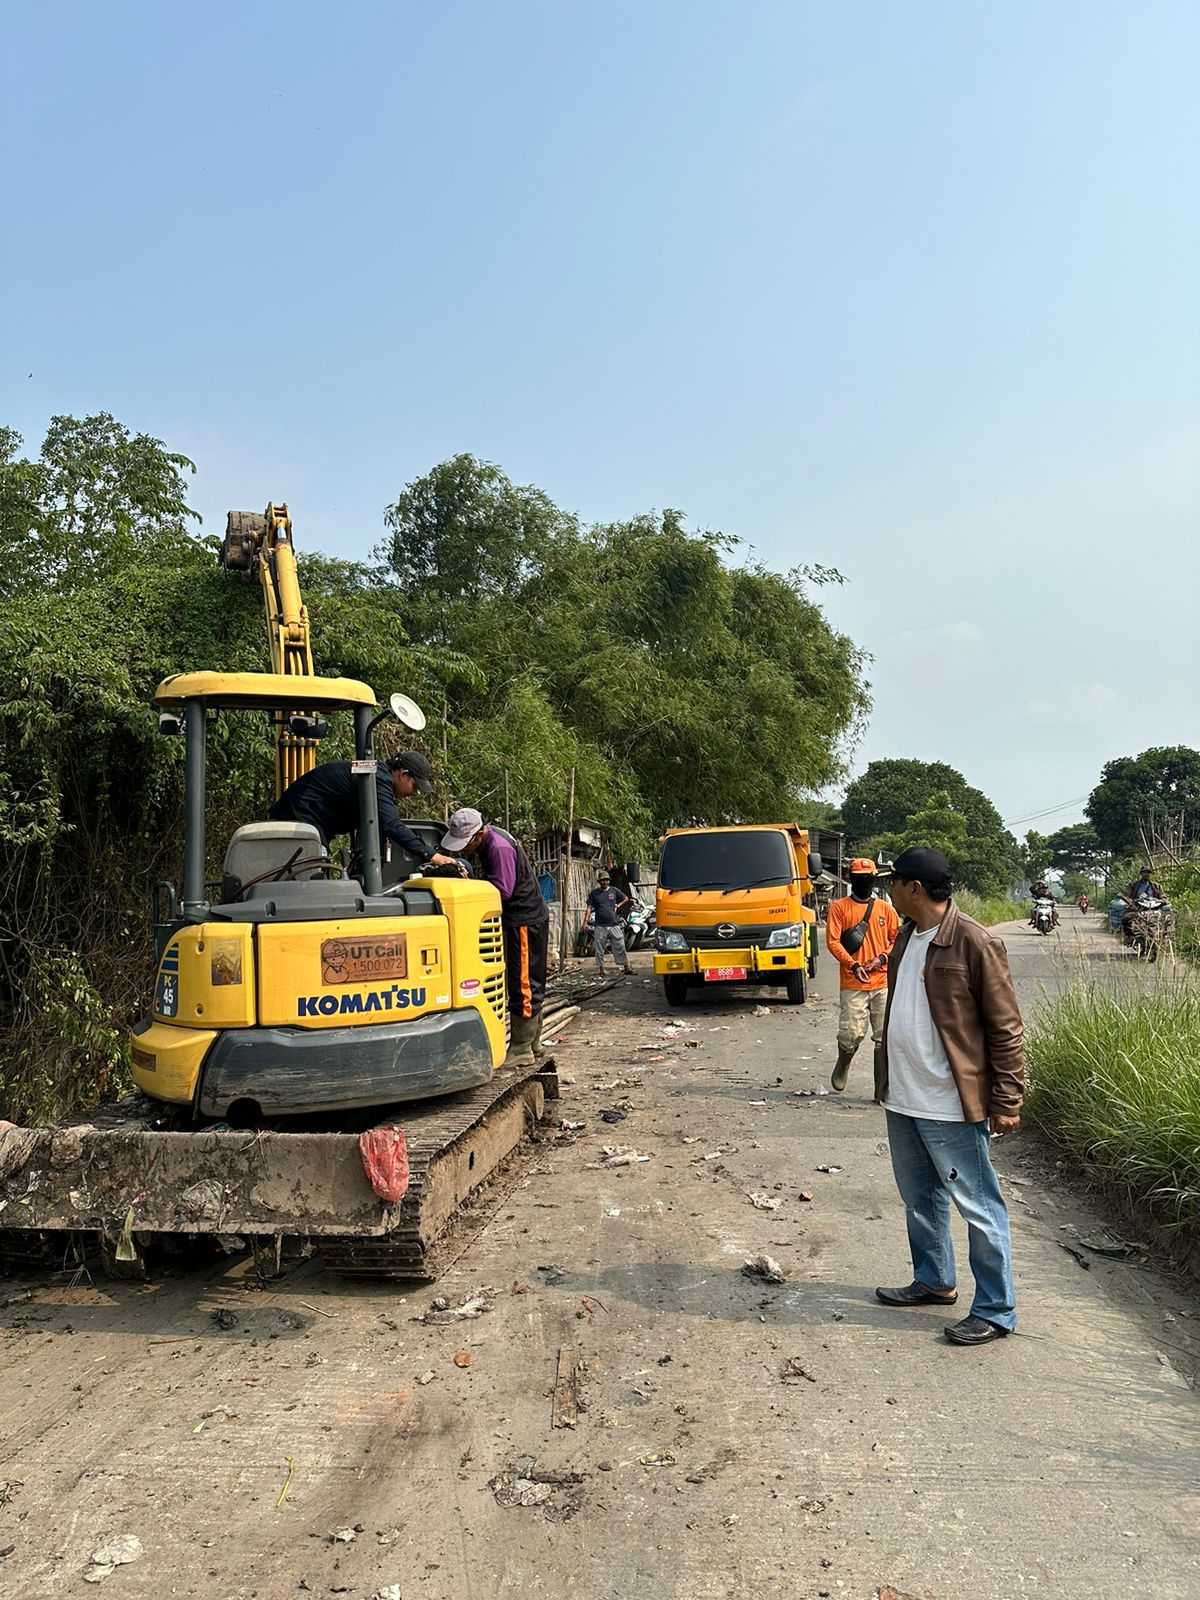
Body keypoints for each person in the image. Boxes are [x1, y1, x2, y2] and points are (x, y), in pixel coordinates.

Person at [874, 846, 1024, 1347]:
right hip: (904, 1097)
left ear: (913, 888)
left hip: (949, 1103)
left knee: (979, 1207)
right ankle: (934, 1280)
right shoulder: (906, 935)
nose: (889, 890)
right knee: (919, 1199)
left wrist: (1007, 1099)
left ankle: (996, 1310)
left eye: (893, 882)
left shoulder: (974, 942)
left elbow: (1005, 1028)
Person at [440, 807, 550, 1068]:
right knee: (529, 980)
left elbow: (502, 889)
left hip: (523, 919)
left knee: (523, 982)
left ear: (478, 835)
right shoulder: (491, 840)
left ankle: (523, 1047)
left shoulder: (498, 848)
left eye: (466, 844)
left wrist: (470, 889)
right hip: (523, 919)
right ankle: (533, 1041)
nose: (464, 850)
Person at [269, 751, 459, 869]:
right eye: (415, 787)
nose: (414, 793)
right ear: (403, 775)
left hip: (307, 822)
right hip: (299, 824)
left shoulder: (375, 776)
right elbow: (390, 824)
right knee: (311, 877)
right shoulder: (376, 779)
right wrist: (432, 855)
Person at [825, 859, 900, 1096]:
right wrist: (853, 963)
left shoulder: (886, 909)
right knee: (851, 1033)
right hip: (852, 982)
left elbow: (895, 939)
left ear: (873, 879)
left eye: (867, 878)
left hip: (882, 982)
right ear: (851, 879)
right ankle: (843, 1063)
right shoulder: (839, 907)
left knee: (883, 1036)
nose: (863, 882)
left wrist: (881, 959)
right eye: (859, 878)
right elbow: (833, 941)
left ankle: (881, 1089)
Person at [587, 870, 633, 978]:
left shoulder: (614, 891)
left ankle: (627, 967)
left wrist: (618, 905)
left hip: (614, 924)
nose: (604, 882)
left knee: (621, 946)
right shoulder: (594, 894)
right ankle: (601, 970)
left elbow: (626, 898)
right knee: (599, 949)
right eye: (602, 880)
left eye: (606, 880)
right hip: (600, 926)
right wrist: (585, 922)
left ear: (608, 881)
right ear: (599, 882)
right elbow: (589, 908)